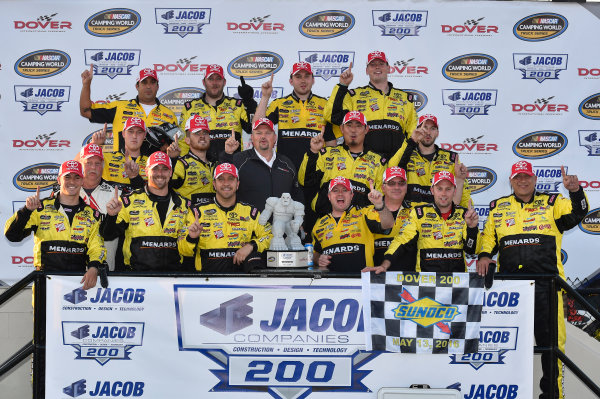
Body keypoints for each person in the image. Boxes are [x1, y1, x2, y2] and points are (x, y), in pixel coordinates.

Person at [476, 161, 589, 399]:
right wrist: (485, 255)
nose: (523, 181)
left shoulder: (553, 202)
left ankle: (552, 395)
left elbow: (578, 213)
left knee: (552, 346)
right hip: (511, 290)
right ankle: (508, 393)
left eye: (527, 177)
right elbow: (488, 238)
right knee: (509, 345)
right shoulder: (499, 207)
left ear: (535, 179)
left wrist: (575, 191)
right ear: (511, 181)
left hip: (548, 286)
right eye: (518, 178)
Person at [5, 160, 106, 290]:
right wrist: (27, 211)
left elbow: (97, 247)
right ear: (59, 180)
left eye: (77, 177)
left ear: (82, 181)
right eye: (67, 177)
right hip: (45, 281)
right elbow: (12, 235)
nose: (72, 182)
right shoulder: (39, 208)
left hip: (78, 282)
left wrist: (94, 268)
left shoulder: (92, 215)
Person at [367, 171, 479, 273]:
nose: (443, 194)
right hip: (426, 283)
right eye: (439, 189)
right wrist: (385, 265)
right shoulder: (420, 213)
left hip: (457, 283)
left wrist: (472, 228)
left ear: (455, 191)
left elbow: (471, 250)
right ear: (432, 190)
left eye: (448, 189)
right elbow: (401, 241)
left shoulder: (464, 215)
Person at [102, 151, 193, 272]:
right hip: (137, 278)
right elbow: (107, 235)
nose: (160, 173)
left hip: (173, 279)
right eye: (155, 169)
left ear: (170, 172)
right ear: (146, 171)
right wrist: (111, 216)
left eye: (164, 169)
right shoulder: (129, 201)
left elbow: (188, 250)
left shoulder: (185, 205)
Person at [325, 51, 418, 159]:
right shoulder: (354, 96)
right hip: (365, 164)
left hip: (396, 163)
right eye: (373, 65)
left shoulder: (405, 98)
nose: (377, 67)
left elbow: (412, 134)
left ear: (388, 68)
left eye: (381, 64)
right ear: (367, 70)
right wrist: (342, 86)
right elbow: (331, 116)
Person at [181, 163, 272, 272]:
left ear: (237, 184)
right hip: (206, 280)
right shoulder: (197, 212)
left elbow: (270, 236)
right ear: (214, 184)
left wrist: (252, 245)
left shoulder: (250, 212)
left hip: (241, 280)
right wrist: (191, 238)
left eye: (231, 179)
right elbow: (184, 251)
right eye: (221, 179)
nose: (226, 183)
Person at [299, 110, 386, 216]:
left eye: (358, 126)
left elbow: (381, 199)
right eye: (349, 125)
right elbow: (304, 181)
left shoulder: (378, 161)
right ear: (342, 129)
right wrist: (313, 152)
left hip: (360, 226)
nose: (353, 130)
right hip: (325, 223)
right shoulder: (327, 154)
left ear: (366, 129)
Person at [254, 62, 337, 170]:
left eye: (306, 76)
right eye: (298, 77)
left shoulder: (325, 104)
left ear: (313, 80)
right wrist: (265, 96)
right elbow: (256, 126)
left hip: (316, 170)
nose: (303, 80)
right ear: (291, 81)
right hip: (285, 169)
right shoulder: (279, 103)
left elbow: (331, 142)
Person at [80, 66, 177, 152]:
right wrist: (86, 84)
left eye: (152, 82)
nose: (148, 86)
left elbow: (175, 147)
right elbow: (86, 111)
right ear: (137, 86)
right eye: (144, 82)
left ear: (157, 87)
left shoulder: (169, 115)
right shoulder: (120, 107)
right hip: (121, 169)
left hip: (155, 170)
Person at [312, 176, 394, 273]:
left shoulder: (364, 213)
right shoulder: (320, 224)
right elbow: (314, 254)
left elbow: (388, 224)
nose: (340, 194)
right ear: (329, 196)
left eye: (344, 190)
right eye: (335, 190)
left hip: (361, 282)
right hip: (331, 284)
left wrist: (380, 204)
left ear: (351, 195)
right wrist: (318, 259)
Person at [221, 117, 302, 211]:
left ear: (275, 137)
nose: (263, 136)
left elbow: (297, 195)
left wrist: (300, 221)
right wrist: (227, 154)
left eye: (267, 133)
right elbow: (221, 183)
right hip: (249, 224)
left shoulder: (287, 163)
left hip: (282, 224)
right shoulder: (239, 160)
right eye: (258, 133)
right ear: (252, 137)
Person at [388, 114, 470, 207]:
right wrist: (412, 140)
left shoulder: (451, 158)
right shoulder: (407, 153)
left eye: (432, 128)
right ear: (417, 130)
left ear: (437, 133)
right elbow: (392, 169)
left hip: (440, 217)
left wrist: (467, 211)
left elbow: (462, 189)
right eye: (424, 127)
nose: (428, 132)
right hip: (411, 216)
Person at [178, 64, 256, 159]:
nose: (214, 83)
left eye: (218, 79)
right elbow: (182, 141)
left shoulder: (237, 105)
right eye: (211, 79)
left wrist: (250, 102)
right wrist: (185, 165)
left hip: (231, 168)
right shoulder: (190, 108)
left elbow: (253, 127)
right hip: (201, 169)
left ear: (224, 82)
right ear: (204, 82)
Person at [76, 143, 123, 271]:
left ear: (103, 165)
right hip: (72, 266)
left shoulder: (117, 193)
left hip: (106, 268)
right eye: (88, 162)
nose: (93, 167)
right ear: (80, 163)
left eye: (97, 163)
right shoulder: (66, 192)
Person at [372, 167, 416, 271]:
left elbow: (446, 202)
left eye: (401, 183)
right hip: (376, 278)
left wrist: (459, 180)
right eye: (391, 183)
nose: (397, 187)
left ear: (406, 187)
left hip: (410, 280)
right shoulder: (368, 211)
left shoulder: (418, 209)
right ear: (383, 187)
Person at [170, 115, 215, 207]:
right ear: (187, 140)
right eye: (197, 133)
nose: (202, 136)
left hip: (213, 219)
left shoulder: (216, 165)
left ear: (209, 138)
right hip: (188, 219)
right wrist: (172, 160)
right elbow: (164, 185)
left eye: (205, 132)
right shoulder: (180, 164)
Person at [93, 117, 149, 191]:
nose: (134, 136)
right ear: (123, 134)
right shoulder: (106, 157)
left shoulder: (150, 163)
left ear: (144, 135)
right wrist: (93, 146)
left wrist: (135, 177)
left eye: (139, 132)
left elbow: (153, 195)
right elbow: (81, 164)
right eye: (130, 131)